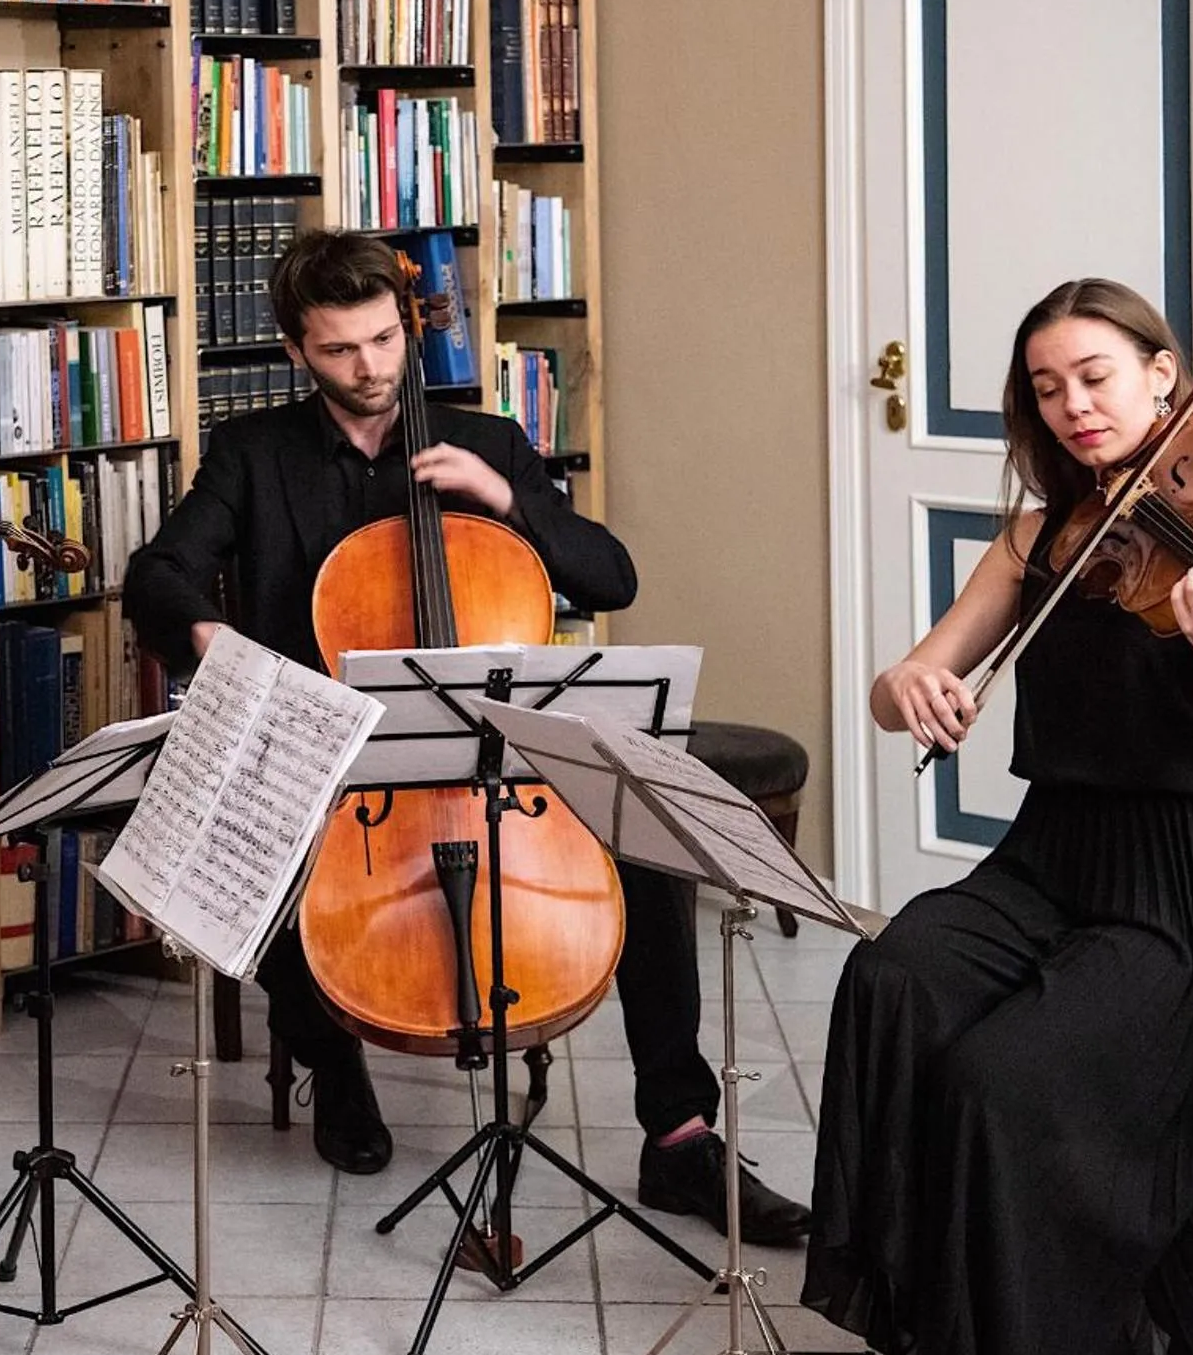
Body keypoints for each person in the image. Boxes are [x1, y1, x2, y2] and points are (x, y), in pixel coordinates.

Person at [123, 228, 812, 1244]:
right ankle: (331, 1058)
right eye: (340, 350)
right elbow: (155, 573)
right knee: (254, 846)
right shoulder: (252, 457)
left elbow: (610, 577)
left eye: (382, 340)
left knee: (643, 844)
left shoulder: (485, 444)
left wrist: (510, 503)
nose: (370, 368)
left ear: (408, 325)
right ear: (295, 352)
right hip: (330, 749)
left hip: (488, 751)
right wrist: (213, 633)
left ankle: (679, 1133)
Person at [800, 278, 1193, 1355]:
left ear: (1163, 372)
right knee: (893, 976)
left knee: (1003, 1077)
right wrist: (906, 686)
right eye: (1045, 388)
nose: (1072, 405)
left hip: (1185, 896)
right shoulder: (1036, 537)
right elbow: (899, 684)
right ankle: (932, 1328)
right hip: (1045, 860)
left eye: (1096, 376)